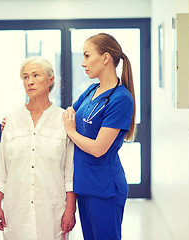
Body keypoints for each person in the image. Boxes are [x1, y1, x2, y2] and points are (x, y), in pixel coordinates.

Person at [0, 56, 76, 240]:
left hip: (52, 210)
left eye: (36, 75)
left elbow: (70, 172)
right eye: (26, 77)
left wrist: (70, 209)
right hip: (17, 209)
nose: (30, 81)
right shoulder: (11, 120)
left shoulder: (64, 120)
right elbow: (2, 169)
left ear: (50, 80)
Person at [62, 33, 136, 240]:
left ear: (105, 58)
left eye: (87, 56)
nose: (83, 63)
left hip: (105, 189)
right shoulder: (92, 90)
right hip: (84, 185)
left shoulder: (121, 99)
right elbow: (66, 116)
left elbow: (98, 148)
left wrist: (71, 131)